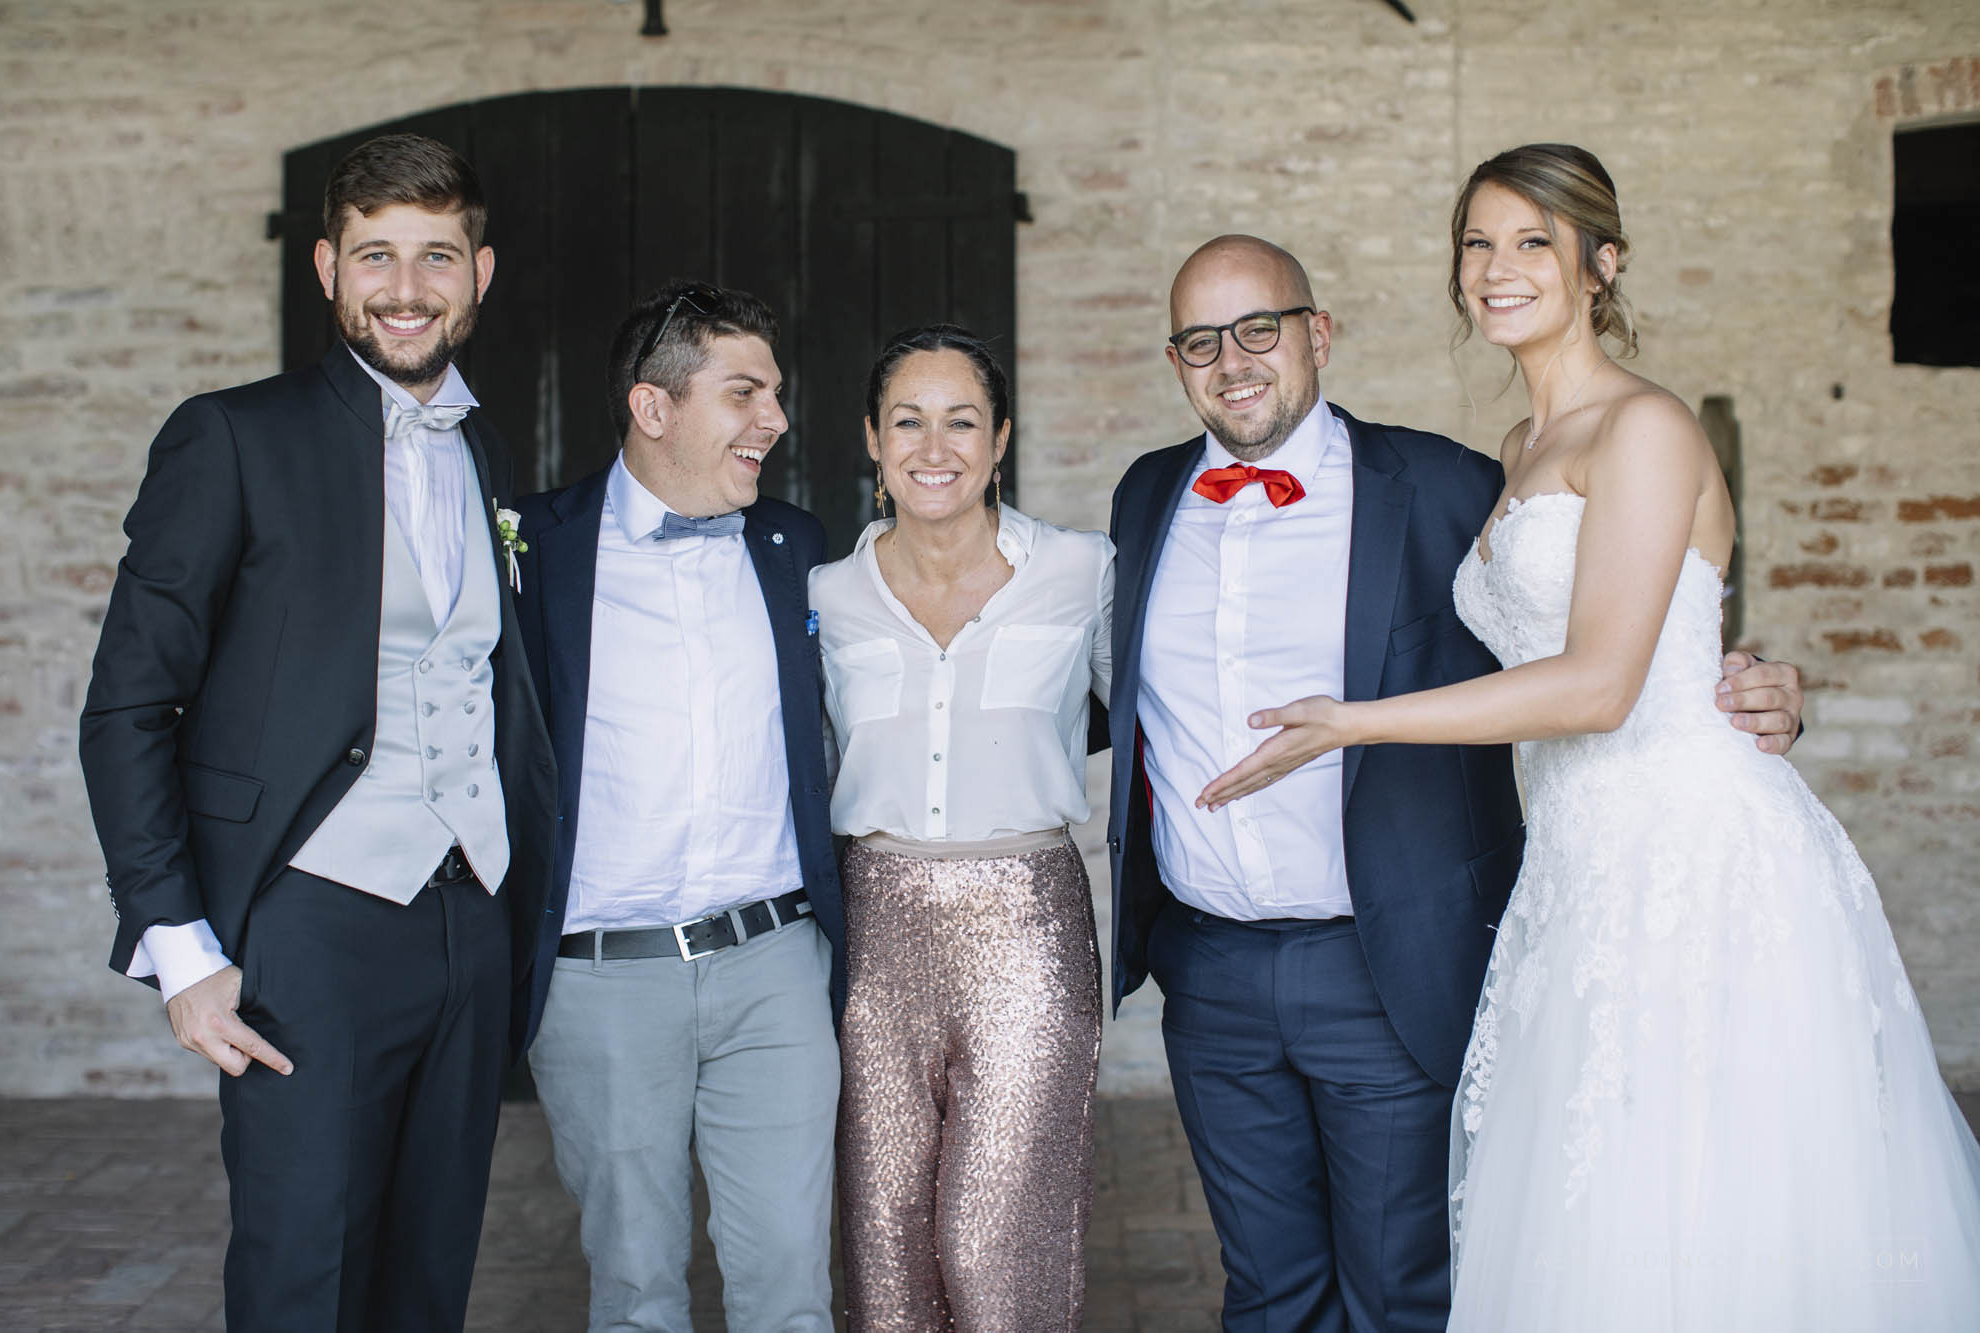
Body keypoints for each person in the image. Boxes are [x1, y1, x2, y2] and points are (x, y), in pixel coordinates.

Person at [1195, 143, 1980, 1331]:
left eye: (1530, 242)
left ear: (1598, 265)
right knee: (1591, 1196)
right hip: (1573, 862)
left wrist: (1350, 725)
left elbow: (1603, 684)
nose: (1494, 268)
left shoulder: (1645, 427)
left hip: (1689, 854)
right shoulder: (1512, 456)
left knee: (1700, 1194)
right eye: (1476, 242)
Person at [1101, 230, 1809, 1332]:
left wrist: (1752, 685)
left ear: (1317, 334)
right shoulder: (1145, 496)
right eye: (1200, 341)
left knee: (1404, 1295)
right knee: (1267, 1296)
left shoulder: (1443, 485)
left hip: (1387, 966)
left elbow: (1588, 637)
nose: (1231, 361)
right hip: (1211, 974)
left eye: (1259, 329)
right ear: (1175, 362)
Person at [78, 134, 557, 1332]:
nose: (406, 287)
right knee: (306, 1275)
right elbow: (129, 703)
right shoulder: (233, 436)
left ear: (480, 273)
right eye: (376, 255)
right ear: (327, 269)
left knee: (426, 1277)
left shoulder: (486, 450)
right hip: (313, 923)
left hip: (471, 919)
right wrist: (180, 948)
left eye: (436, 255)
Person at [508, 281, 845, 1333]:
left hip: (775, 965)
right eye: (744, 393)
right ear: (652, 407)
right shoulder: (532, 550)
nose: (776, 420)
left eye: (775, 392)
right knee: (636, 1291)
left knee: (791, 1284)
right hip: (601, 980)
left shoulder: (797, 543)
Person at [811, 324, 1110, 1331]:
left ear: (1000, 438)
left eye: (961, 421)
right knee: (885, 1242)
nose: (933, 447)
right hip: (874, 927)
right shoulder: (825, 596)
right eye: (908, 421)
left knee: (995, 1246)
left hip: (1027, 927)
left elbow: (1163, 714)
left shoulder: (1081, 571)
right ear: (872, 439)